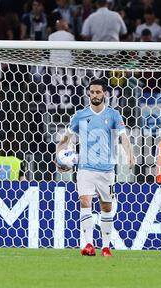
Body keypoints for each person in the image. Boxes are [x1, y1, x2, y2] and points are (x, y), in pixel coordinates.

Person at [55, 79, 135, 257]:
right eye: (92, 92)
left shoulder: (113, 115)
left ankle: (105, 247)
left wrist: (130, 154)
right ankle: (89, 244)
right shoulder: (80, 115)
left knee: (106, 207)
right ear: (89, 93)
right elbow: (65, 139)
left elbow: (123, 137)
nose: (95, 95)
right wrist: (59, 158)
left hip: (107, 169)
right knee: (85, 202)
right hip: (85, 168)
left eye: (98, 92)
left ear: (105, 93)